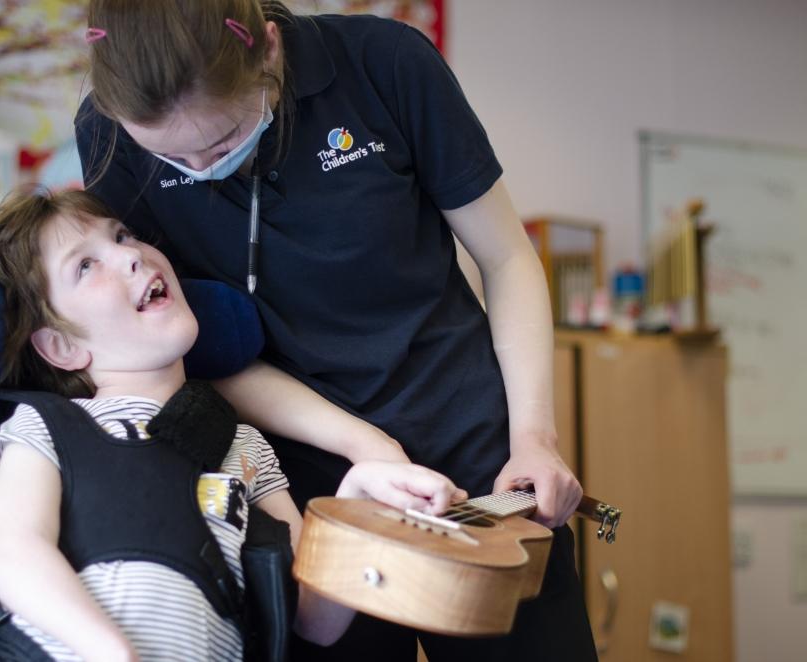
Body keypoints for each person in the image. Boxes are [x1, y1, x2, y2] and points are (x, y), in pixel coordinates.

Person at [74, 1, 596, 660]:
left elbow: (506, 256)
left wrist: (535, 436)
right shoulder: (105, 132)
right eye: (174, 162)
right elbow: (187, 340)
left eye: (222, 142)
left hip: (473, 456)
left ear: (267, 50)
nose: (203, 169)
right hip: (303, 484)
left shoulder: (385, 64)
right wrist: (365, 448)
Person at [0, 188, 466, 661]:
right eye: (85, 265)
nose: (130, 256)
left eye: (122, 236)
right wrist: (114, 652)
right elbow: (13, 556)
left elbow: (313, 619)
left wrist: (356, 497)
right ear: (61, 347)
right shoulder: (48, 426)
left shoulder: (243, 445)